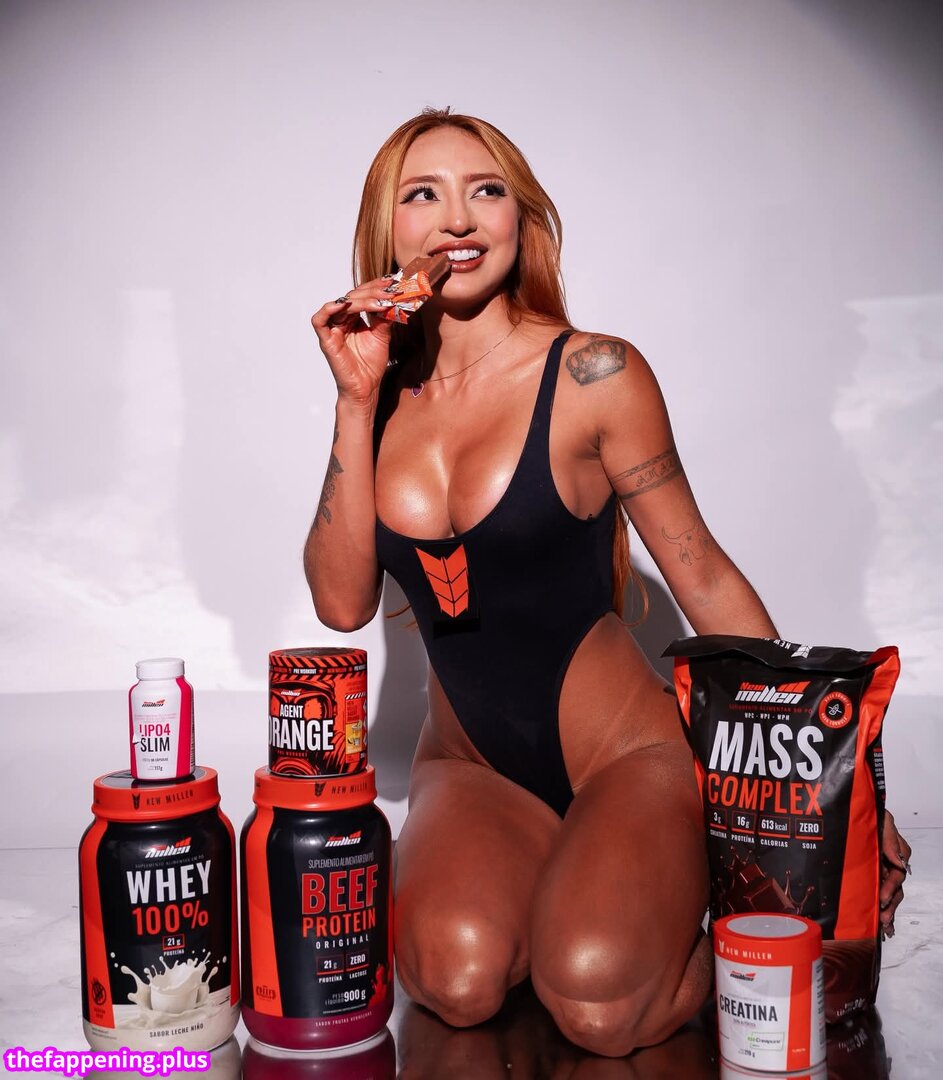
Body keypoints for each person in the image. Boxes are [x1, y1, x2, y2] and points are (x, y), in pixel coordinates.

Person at [304, 109, 910, 1057]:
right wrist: (352, 397)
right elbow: (340, 606)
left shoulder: (594, 373)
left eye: (486, 191)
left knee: (595, 1005)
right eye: (424, 195)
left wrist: (820, 781)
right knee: (452, 981)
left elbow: (698, 569)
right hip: (469, 768)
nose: (458, 219)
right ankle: (571, 880)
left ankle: (697, 915)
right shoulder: (375, 397)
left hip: (623, 756)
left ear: (520, 218)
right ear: (388, 232)